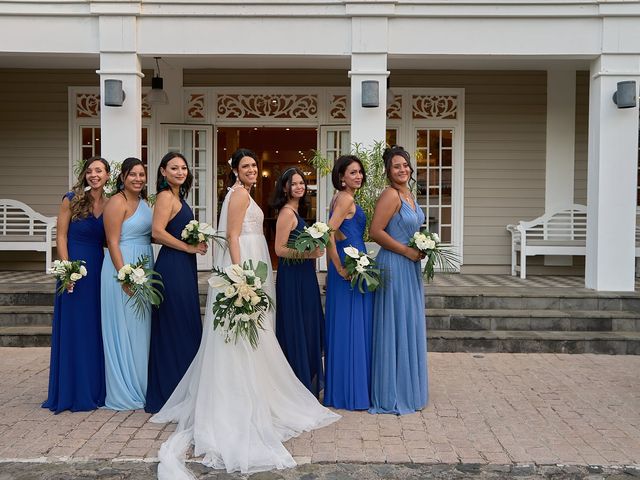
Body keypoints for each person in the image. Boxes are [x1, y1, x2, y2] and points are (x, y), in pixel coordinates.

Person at [151, 148, 339, 477]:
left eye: (254, 165)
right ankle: (241, 397)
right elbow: (233, 236)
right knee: (244, 334)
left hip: (255, 260)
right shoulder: (238, 195)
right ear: (235, 171)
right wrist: (240, 276)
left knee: (256, 333)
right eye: (246, 166)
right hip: (246, 264)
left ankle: (258, 390)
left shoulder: (243, 194)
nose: (252, 170)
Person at [42, 157, 110, 413]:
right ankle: (71, 389)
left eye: (99, 171)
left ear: (107, 175)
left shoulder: (110, 202)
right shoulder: (71, 198)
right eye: (90, 171)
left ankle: (93, 388)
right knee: (74, 327)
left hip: (98, 269)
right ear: (84, 175)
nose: (94, 175)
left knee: (94, 326)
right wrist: (67, 269)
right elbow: (60, 235)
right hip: (74, 269)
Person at [145, 152, 207, 414]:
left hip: (183, 265)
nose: (180, 172)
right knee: (175, 324)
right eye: (174, 168)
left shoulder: (178, 197)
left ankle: (186, 386)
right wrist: (187, 247)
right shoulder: (164, 197)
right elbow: (157, 233)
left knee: (185, 322)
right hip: (171, 266)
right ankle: (171, 389)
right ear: (163, 172)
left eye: (183, 168)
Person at [368, 146, 428, 415]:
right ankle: (392, 390)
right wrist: (406, 250)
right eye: (396, 167)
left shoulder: (409, 194)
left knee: (408, 322)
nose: (402, 170)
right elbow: (375, 232)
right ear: (388, 172)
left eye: (405, 165)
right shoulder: (391, 195)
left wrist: (424, 246)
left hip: (410, 267)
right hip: (394, 264)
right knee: (395, 324)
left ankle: (408, 386)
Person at [101, 157, 153, 411]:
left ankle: (142, 384)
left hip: (145, 266)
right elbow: (112, 241)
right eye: (133, 174)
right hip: (123, 266)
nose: (138, 179)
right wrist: (124, 275)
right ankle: (125, 387)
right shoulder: (116, 202)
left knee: (142, 329)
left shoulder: (145, 203)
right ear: (122, 177)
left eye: (142, 174)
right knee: (125, 327)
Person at [270, 167, 325, 398]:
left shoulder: (296, 211)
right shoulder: (286, 213)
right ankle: (297, 385)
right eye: (294, 183)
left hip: (304, 276)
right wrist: (309, 255)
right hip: (293, 278)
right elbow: (279, 250)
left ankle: (306, 382)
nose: (299, 186)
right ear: (285, 187)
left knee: (308, 325)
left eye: (302, 183)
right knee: (297, 326)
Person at [324, 155, 373, 411]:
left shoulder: (338, 197)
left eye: (360, 172)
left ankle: (344, 388)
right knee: (353, 324)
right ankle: (353, 391)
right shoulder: (346, 198)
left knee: (347, 323)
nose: (358, 176)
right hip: (350, 266)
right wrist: (339, 265)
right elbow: (327, 233)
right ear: (341, 176)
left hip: (350, 262)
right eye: (353, 172)